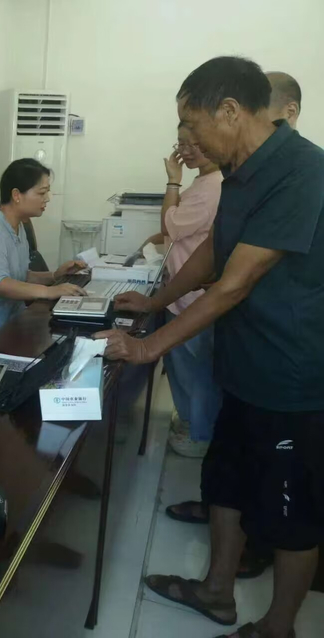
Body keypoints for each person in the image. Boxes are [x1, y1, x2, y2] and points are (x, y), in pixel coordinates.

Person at [99, 56, 324, 638]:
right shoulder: (239, 171)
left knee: (292, 511)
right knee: (225, 482)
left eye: (193, 124)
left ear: (229, 110)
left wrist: (148, 349)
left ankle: (278, 627)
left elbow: (235, 282)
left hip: (290, 378)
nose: (189, 140)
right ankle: (217, 592)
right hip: (242, 365)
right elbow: (212, 254)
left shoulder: (303, 171)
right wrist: (156, 302)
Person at [140, 125, 223, 459]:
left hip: (191, 298)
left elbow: (169, 226)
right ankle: (192, 421)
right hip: (181, 294)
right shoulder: (204, 181)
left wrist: (173, 181)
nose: (186, 151)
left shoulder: (213, 186)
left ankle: (199, 434)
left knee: (195, 370)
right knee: (183, 365)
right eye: (181, 144)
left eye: (194, 144)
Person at [0, 159, 86, 344]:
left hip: (8, 324)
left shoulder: (18, 226)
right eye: (42, 192)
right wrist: (49, 291)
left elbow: (20, 276)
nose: (47, 198)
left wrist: (54, 275)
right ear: (16, 195)